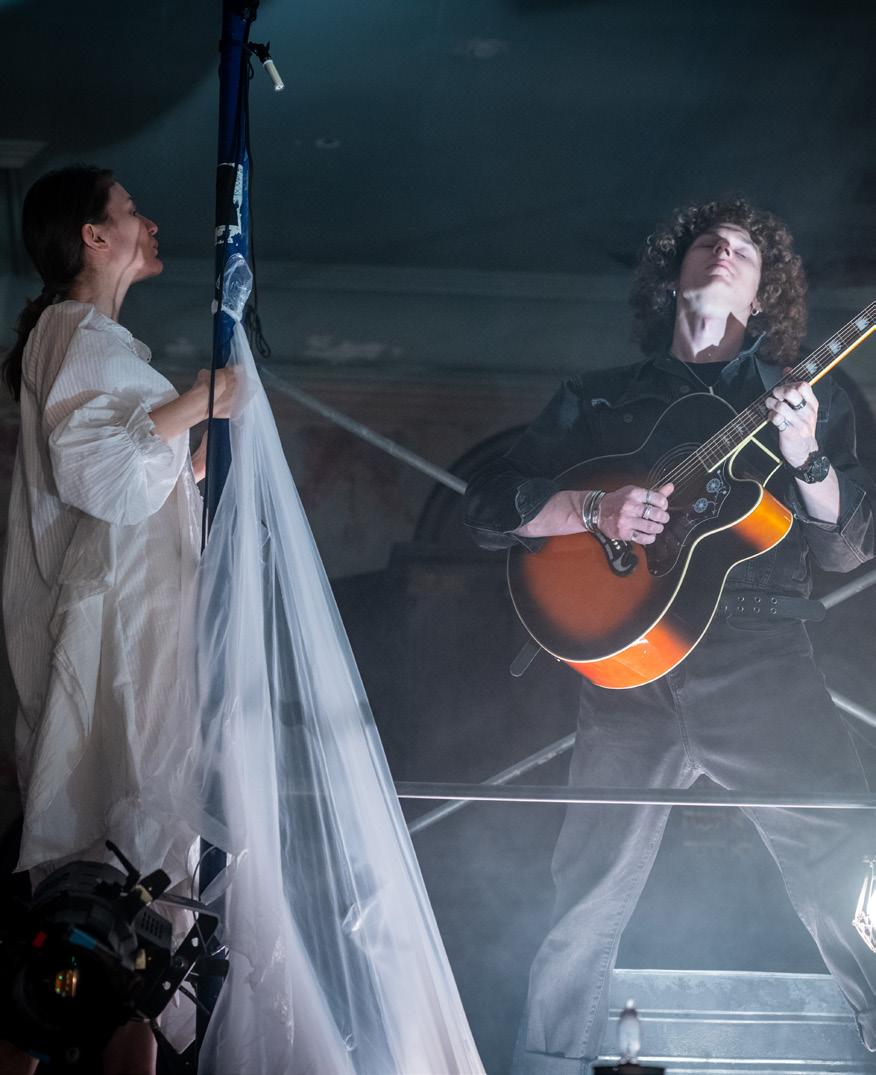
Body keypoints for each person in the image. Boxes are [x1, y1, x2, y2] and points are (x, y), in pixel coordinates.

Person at [464, 198, 876, 1073]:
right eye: (707, 243)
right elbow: (489, 505)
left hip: (763, 661)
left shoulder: (811, 392)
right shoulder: (598, 396)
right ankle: (550, 1062)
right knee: (584, 892)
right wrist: (594, 507)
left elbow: (847, 545)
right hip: (628, 672)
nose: (724, 251)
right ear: (671, 277)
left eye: (745, 251)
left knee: (848, 855)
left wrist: (806, 453)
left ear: (763, 297)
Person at [0, 166, 234, 1075]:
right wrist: (201, 400)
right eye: (132, 210)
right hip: (109, 652)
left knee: (119, 912)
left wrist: (192, 456)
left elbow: (128, 486)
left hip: (133, 636)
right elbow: (100, 472)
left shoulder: (93, 343)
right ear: (94, 237)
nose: (149, 220)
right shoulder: (74, 331)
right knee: (102, 898)